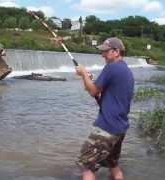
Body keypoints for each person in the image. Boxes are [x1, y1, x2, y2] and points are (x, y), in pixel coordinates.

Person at [57, 37, 134, 180]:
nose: (102, 55)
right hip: (120, 128)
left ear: (116, 51)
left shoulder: (111, 67)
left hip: (107, 128)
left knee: (87, 167)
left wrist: (84, 74)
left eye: (105, 51)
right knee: (113, 165)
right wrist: (88, 78)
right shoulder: (126, 70)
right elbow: (101, 91)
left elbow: (93, 91)